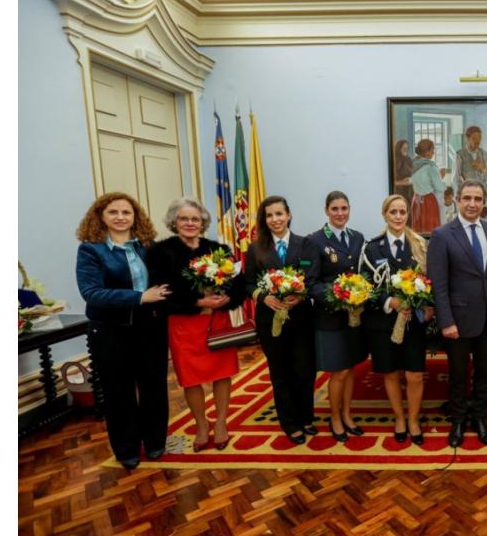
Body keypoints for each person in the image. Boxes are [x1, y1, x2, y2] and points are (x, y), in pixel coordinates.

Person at [75, 192, 170, 469]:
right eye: (113, 212)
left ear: (135, 216)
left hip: (150, 327)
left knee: (154, 386)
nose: (120, 217)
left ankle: (155, 442)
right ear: (101, 216)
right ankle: (127, 449)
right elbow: (92, 293)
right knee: (118, 392)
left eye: (126, 212)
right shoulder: (90, 250)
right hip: (110, 331)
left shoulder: (148, 246)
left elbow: (164, 282)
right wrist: (139, 297)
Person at [146, 197, 244, 453]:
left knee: (222, 374)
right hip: (184, 325)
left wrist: (227, 298)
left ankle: (221, 423)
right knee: (190, 379)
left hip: (217, 321)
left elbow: (238, 284)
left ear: (202, 223)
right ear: (174, 222)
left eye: (195, 219)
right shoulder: (159, 252)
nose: (190, 223)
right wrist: (197, 301)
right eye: (184, 218)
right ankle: (201, 425)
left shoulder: (218, 249)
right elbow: (160, 292)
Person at [428, 180, 487, 447]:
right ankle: (458, 421)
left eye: (478, 199)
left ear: (484, 202)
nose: (472, 204)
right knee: (458, 374)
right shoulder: (442, 235)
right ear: (458, 200)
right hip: (457, 322)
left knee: (485, 374)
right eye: (467, 198)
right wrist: (446, 321)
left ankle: (480, 419)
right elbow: (438, 284)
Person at [243, 196, 321, 445]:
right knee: (281, 371)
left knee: (305, 370)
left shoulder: (306, 244)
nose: (275, 219)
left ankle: (306, 417)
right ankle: (290, 423)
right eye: (270, 215)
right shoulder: (256, 248)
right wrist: (263, 297)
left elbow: (313, 277)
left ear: (288, 215)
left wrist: (301, 295)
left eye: (279, 214)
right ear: (264, 219)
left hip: (301, 318)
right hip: (270, 320)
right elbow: (248, 283)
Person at [360, 195, 435, 446]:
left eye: (403, 212)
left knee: (414, 375)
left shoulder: (420, 245)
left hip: (413, 322)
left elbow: (432, 281)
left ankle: (413, 420)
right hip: (383, 323)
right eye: (393, 212)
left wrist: (429, 305)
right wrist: (389, 301)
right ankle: (400, 418)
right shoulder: (372, 248)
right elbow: (365, 286)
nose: (398, 216)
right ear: (385, 214)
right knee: (390, 373)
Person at [308, 191, 369, 443]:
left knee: (351, 367)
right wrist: (338, 296)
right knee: (339, 371)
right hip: (330, 316)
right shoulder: (315, 240)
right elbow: (311, 283)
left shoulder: (357, 237)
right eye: (335, 209)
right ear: (326, 211)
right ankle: (334, 418)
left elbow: (362, 273)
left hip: (353, 317)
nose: (340, 213)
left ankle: (347, 414)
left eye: (344, 208)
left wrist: (360, 292)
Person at [410, 139, 445, 232]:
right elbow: (440, 187)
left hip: (416, 200)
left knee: (419, 230)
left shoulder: (413, 164)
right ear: (426, 152)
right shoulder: (430, 167)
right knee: (430, 230)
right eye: (432, 150)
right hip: (428, 202)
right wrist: (441, 177)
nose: (433, 152)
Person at [393, 140, 415, 207]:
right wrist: (401, 182)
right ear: (398, 148)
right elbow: (389, 182)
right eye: (404, 148)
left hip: (410, 192)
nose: (406, 150)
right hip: (398, 193)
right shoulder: (394, 160)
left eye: (407, 148)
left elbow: (413, 173)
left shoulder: (408, 159)